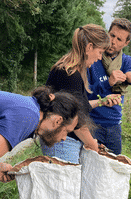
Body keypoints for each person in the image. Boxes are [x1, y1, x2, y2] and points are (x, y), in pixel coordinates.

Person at [41, 24, 122, 163]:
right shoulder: (70, 75)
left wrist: (102, 101)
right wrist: (92, 144)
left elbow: (80, 106)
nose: (99, 58)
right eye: (100, 52)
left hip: (65, 140)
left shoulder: (72, 71)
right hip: (62, 141)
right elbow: (76, 119)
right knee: (67, 185)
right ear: (89, 47)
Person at [87, 18, 131, 155]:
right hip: (92, 123)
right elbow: (85, 93)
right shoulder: (93, 57)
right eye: (112, 35)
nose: (113, 41)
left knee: (114, 169)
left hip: (114, 126)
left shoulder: (125, 60)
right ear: (107, 33)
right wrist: (108, 82)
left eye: (119, 39)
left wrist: (126, 76)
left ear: (126, 43)